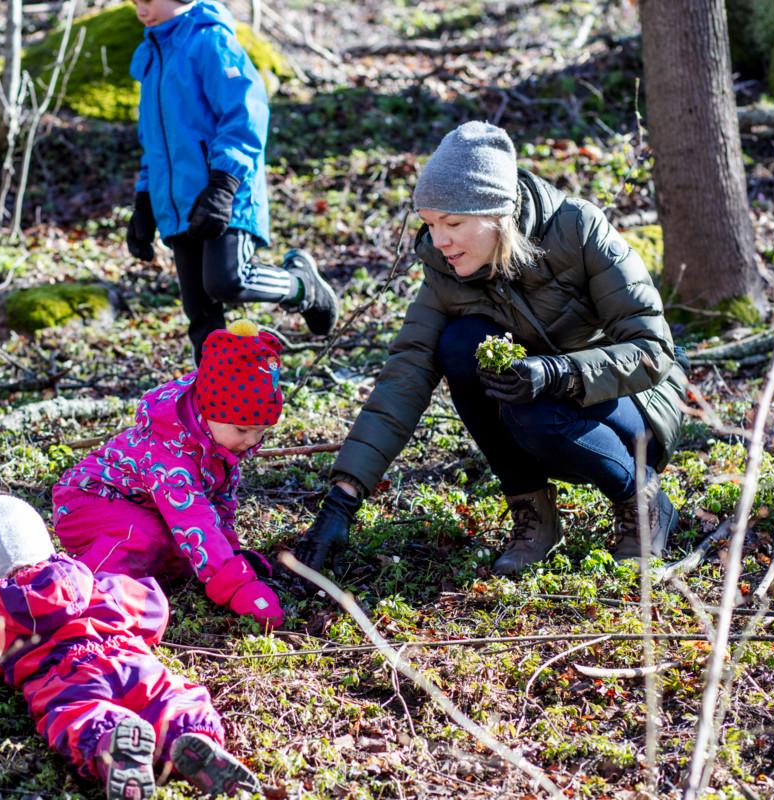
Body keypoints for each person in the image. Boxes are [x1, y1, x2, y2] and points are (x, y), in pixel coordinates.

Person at [292, 121, 686, 576]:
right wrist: (341, 500)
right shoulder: (444, 269)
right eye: (431, 224)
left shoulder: (579, 229)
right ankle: (535, 516)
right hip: (535, 409)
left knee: (534, 409)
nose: (439, 241)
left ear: (496, 213)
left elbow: (651, 349)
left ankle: (645, 504)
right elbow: (404, 376)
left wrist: (559, 372)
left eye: (453, 223)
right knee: (459, 344)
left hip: (629, 410)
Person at [0, 476, 262, 799]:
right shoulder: (92, 581)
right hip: (129, 659)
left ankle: (113, 744)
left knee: (80, 716)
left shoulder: (1, 622)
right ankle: (189, 735)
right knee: (167, 696)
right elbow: (151, 607)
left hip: (68, 681)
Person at [126, 0, 339, 362]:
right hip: (178, 205)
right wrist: (144, 202)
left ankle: (302, 286)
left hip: (225, 193)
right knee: (201, 314)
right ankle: (216, 404)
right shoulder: (150, 57)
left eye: (147, 0)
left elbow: (246, 115)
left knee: (227, 281)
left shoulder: (209, 40)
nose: (140, 9)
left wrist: (223, 184)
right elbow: (154, 142)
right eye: (134, 2)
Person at [53, 320, 286, 632]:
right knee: (145, 536)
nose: (251, 441)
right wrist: (238, 586)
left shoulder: (216, 440)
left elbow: (218, 503)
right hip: (89, 500)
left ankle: (152, 573)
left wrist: (229, 553)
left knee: (173, 547)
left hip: (143, 505)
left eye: (261, 431)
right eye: (242, 430)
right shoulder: (170, 455)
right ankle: (88, 593)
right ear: (208, 411)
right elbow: (194, 519)